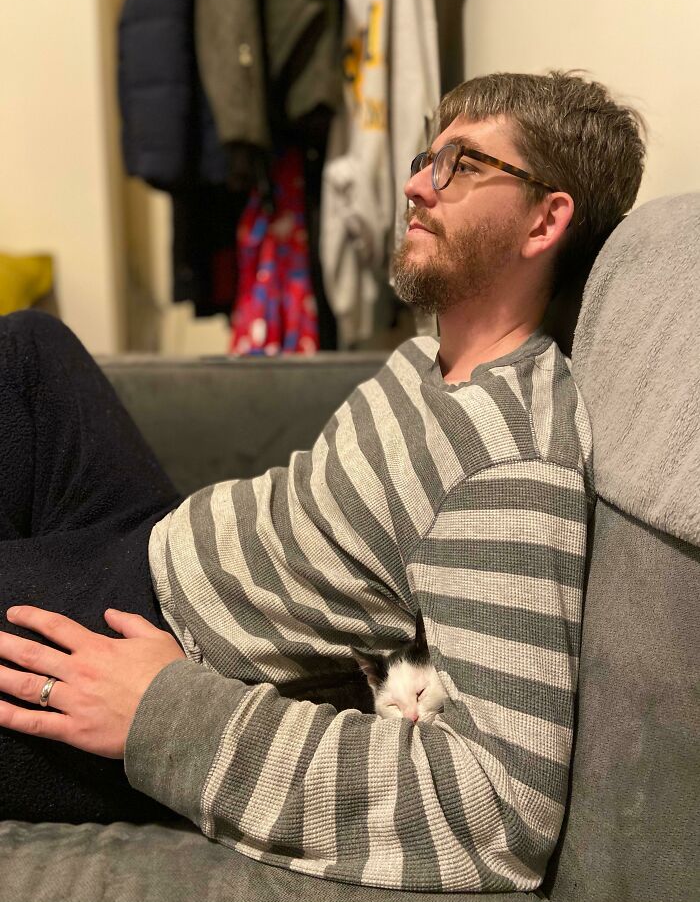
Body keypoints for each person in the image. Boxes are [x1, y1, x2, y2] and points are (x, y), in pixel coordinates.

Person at [0, 71, 645, 893]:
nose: (416, 183)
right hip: (171, 542)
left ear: (546, 219)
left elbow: (500, 812)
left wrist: (162, 710)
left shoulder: (510, 460)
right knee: (30, 354)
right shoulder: (432, 351)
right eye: (426, 156)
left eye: (463, 165)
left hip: (170, 639)